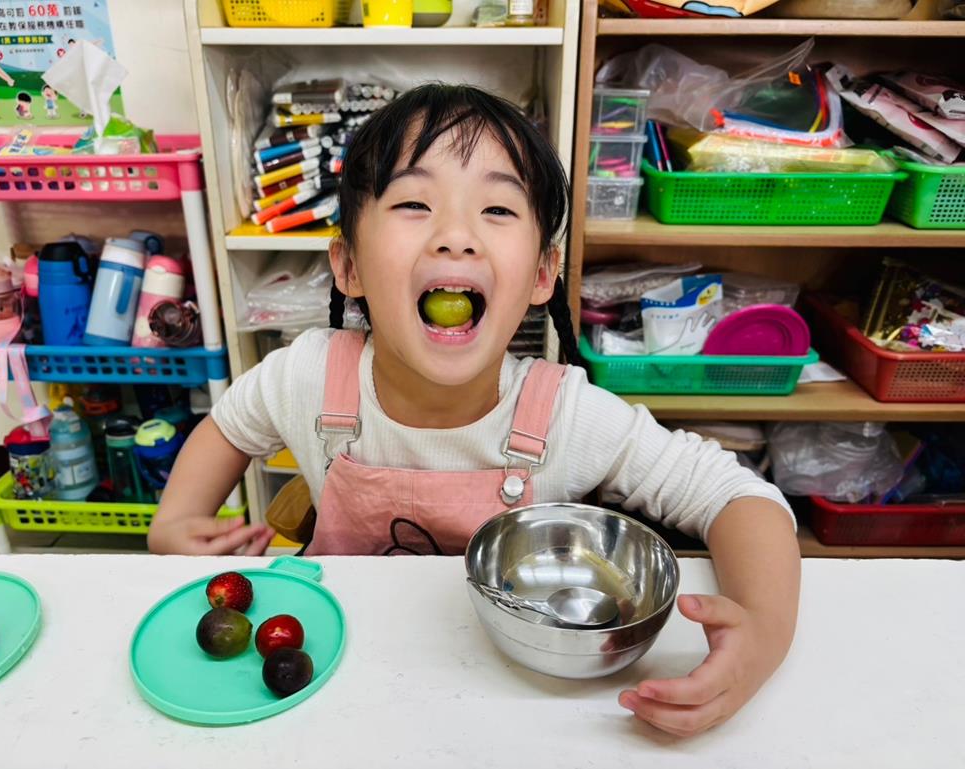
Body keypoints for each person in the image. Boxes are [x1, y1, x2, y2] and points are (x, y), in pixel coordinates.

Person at [148, 84, 800, 737]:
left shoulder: (564, 414)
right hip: (337, 693)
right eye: (413, 203)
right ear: (348, 266)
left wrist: (763, 633)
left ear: (542, 274)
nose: (456, 236)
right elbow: (226, 428)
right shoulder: (308, 376)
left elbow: (737, 495)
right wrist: (175, 522)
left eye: (496, 208)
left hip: (518, 706)